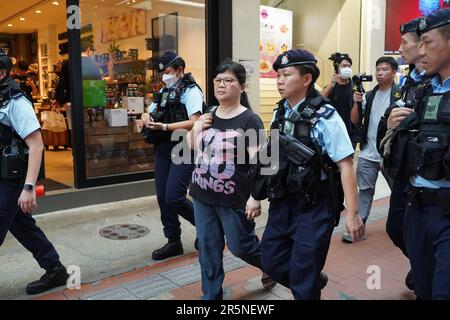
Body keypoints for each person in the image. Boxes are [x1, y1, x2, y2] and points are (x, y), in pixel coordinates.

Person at [258, 49, 364, 300]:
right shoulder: (279, 112)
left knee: (303, 276)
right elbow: (270, 154)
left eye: (286, 74)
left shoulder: (326, 116)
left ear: (306, 79)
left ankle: (307, 282)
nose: (280, 80)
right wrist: (255, 195)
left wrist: (353, 213)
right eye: (278, 75)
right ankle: (311, 279)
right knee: (270, 261)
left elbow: (346, 165)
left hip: (316, 205)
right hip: (283, 201)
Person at [186, 60, 276, 300]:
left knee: (241, 247)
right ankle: (212, 296)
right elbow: (188, 147)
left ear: (242, 87)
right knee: (208, 248)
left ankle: (272, 265)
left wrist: (256, 197)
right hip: (203, 194)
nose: (221, 85)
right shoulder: (207, 116)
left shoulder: (250, 120)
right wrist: (196, 128)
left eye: (228, 80)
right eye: (217, 80)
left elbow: (262, 163)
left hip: (234, 198)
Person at [0, 48, 69, 295]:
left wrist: (29, 187)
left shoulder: (15, 100)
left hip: (10, 179)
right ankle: (55, 269)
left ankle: (55, 269)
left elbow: (36, 144)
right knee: (21, 225)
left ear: (2, 72)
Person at [394, 9, 450, 299]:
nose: (421, 50)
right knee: (425, 290)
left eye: (428, 42)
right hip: (416, 208)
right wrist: (395, 128)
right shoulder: (425, 89)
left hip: (446, 213)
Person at [378, 17, 429, 292]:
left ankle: (424, 268)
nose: (399, 48)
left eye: (404, 42)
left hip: (427, 172)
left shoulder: (438, 81)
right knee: (395, 228)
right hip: (402, 170)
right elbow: (391, 118)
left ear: (423, 44)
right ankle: (421, 263)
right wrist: (389, 122)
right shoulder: (409, 81)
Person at [139, 52, 203, 261]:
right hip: (164, 149)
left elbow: (195, 121)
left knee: (174, 196)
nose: (164, 77)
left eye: (167, 72)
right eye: (162, 73)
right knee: (162, 198)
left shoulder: (191, 91)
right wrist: (145, 116)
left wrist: (165, 126)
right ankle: (173, 241)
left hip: (184, 147)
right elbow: (149, 112)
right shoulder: (164, 91)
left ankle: (206, 229)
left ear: (179, 70)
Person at [344, 57, 400, 243]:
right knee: (365, 190)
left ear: (394, 72)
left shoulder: (401, 95)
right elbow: (354, 120)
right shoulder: (369, 95)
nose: (379, 73)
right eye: (377, 69)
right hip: (368, 152)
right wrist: (356, 102)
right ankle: (357, 228)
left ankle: (401, 227)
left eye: (384, 69)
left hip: (391, 153)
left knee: (399, 191)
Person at [322, 54, 356, 145]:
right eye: (344, 66)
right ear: (337, 69)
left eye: (349, 66)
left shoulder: (355, 87)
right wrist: (331, 84)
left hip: (350, 133)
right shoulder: (331, 87)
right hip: (333, 131)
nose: (347, 68)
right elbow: (320, 99)